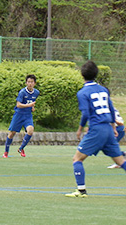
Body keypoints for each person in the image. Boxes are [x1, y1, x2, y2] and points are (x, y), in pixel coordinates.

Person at [65, 60, 126, 198]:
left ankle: (81, 191)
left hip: (97, 129)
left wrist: (80, 129)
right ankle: (81, 191)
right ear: (96, 74)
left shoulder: (83, 92)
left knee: (77, 159)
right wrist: (113, 128)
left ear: (82, 75)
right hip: (108, 129)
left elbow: (86, 113)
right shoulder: (103, 90)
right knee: (120, 161)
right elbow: (110, 109)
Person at [3, 74, 40, 158]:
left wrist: (32, 107)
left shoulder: (36, 92)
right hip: (19, 115)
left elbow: (32, 101)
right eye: (28, 82)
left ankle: (21, 148)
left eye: (32, 82)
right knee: (12, 133)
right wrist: (29, 105)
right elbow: (18, 105)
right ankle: (6, 152)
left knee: (30, 131)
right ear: (26, 83)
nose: (30, 83)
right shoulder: (22, 92)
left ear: (35, 83)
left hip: (27, 116)